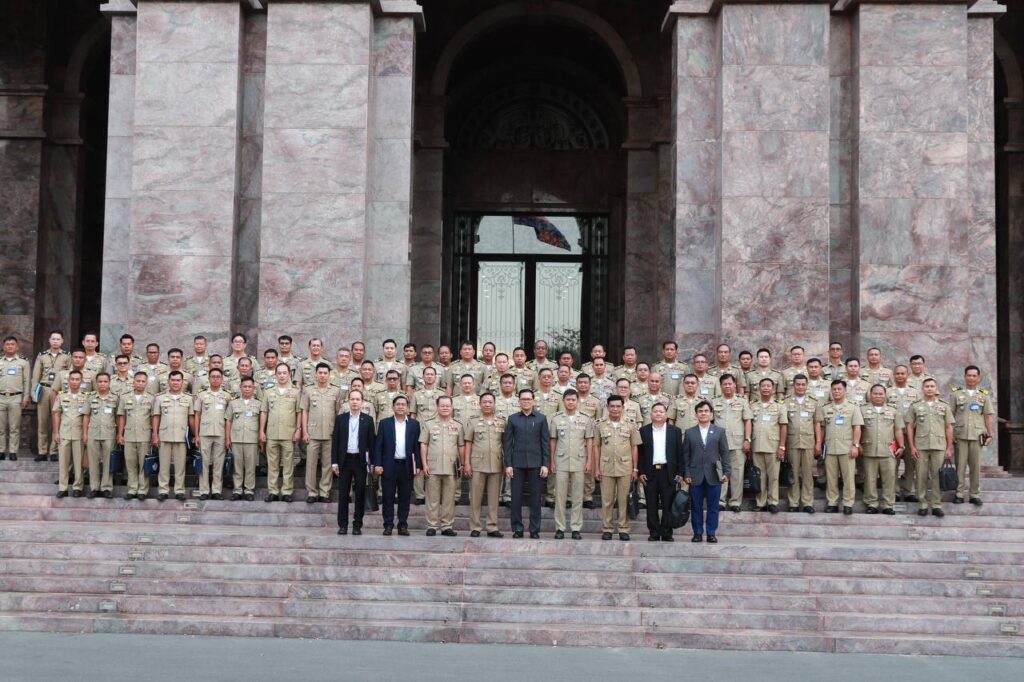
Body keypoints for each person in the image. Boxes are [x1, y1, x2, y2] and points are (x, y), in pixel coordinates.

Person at [503, 389, 550, 539]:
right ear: (519, 402)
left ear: (533, 401)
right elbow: (507, 444)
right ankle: (517, 529)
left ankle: (534, 530)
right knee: (516, 498)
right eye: (523, 399)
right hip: (517, 464)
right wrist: (508, 464)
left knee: (535, 499)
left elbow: (545, 443)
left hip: (536, 464)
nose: (526, 402)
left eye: (529, 399)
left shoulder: (541, 419)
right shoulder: (512, 419)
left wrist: (545, 464)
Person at [548, 389, 594, 540]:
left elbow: (589, 441)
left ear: (577, 401)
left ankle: (576, 528)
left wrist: (589, 461)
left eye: (573, 400)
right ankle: (560, 528)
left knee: (577, 496)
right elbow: (553, 440)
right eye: (568, 399)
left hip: (579, 461)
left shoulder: (586, 419)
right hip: (560, 461)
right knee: (560, 496)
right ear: (563, 401)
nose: (570, 402)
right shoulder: (556, 419)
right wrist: (552, 461)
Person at [682, 400, 731, 543]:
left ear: (711, 414)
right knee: (696, 507)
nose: (703, 413)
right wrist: (687, 473)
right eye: (700, 411)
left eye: (706, 411)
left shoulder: (719, 431)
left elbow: (725, 453)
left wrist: (726, 472)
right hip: (695, 476)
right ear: (696, 414)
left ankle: (711, 533)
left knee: (713, 507)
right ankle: (697, 533)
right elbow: (686, 455)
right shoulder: (690, 432)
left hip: (714, 475)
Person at [905, 378, 954, 517]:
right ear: (922, 389)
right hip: (921, 446)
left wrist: (949, 447)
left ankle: (936, 504)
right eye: (927, 386)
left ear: (936, 389)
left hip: (939, 445)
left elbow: (949, 427)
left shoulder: (944, 406)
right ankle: (922, 504)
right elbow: (909, 427)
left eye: (932, 386)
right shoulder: (915, 406)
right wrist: (912, 446)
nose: (929, 389)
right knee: (921, 475)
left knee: (937, 476)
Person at [595, 395, 640, 541]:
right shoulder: (600, 425)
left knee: (623, 500)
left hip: (625, 468)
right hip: (606, 467)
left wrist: (635, 469)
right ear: (607, 407)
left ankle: (623, 528)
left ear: (623, 407)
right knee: (607, 500)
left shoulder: (630, 425)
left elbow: (634, 447)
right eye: (612, 406)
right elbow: (596, 447)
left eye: (618, 406)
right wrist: (597, 468)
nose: (615, 409)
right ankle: (607, 528)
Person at [815, 379, 864, 515]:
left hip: (847, 448)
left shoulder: (853, 407)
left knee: (848, 478)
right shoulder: (825, 408)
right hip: (830, 448)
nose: (836, 391)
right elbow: (821, 427)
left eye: (839, 389)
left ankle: (848, 503)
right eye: (834, 389)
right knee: (831, 478)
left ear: (845, 391)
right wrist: (819, 443)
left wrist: (855, 445)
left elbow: (857, 427)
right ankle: (832, 502)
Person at [373, 395, 419, 536]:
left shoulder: (414, 424)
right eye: (397, 404)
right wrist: (377, 464)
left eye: (403, 404)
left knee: (405, 498)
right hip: (389, 465)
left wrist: (418, 465)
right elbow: (378, 446)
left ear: (408, 407)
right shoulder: (384, 423)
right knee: (388, 497)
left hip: (406, 466)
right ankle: (388, 525)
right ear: (393, 407)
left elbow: (416, 447)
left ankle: (402, 525)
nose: (400, 407)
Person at [331, 390, 375, 535]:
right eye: (352, 399)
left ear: (362, 402)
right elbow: (335, 442)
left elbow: (371, 443)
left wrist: (372, 463)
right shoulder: (341, 419)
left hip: (360, 462)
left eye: (357, 399)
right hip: (345, 461)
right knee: (343, 495)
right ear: (348, 401)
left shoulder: (368, 420)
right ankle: (343, 525)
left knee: (360, 494)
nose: (355, 402)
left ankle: (357, 525)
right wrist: (334, 462)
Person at [419, 395, 463, 536]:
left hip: (451, 467)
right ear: (437, 407)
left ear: (452, 407)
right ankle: (432, 525)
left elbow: (461, 446)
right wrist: (424, 464)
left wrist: (462, 463)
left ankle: (446, 526)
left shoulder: (458, 425)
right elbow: (424, 445)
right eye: (442, 405)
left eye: (448, 406)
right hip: (433, 466)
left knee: (449, 499)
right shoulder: (428, 424)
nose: (445, 408)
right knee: (432, 498)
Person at [464, 392, 507, 538]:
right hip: (477, 464)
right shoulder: (473, 421)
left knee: (494, 499)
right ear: (480, 404)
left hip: (496, 463)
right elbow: (468, 443)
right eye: (485, 402)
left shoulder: (502, 421)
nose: (487, 404)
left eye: (490, 402)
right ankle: (475, 527)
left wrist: (506, 463)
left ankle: (492, 526)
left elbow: (505, 443)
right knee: (475, 498)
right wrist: (467, 463)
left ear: (494, 404)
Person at [950, 365, 994, 506]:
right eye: (969, 375)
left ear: (978, 378)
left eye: (974, 376)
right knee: (960, 467)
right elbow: (950, 416)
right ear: (965, 377)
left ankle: (974, 494)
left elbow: (988, 416)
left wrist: (990, 434)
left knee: (975, 467)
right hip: (960, 435)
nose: (971, 378)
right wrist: (950, 435)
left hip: (977, 435)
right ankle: (959, 493)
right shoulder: (956, 394)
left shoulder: (983, 395)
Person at [638, 403, 682, 542]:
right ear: (651, 414)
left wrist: (680, 472)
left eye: (661, 411)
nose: (658, 414)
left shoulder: (675, 431)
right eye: (655, 411)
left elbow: (679, 453)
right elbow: (640, 454)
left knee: (668, 504)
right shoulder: (643, 431)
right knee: (651, 505)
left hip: (668, 472)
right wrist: (640, 471)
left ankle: (667, 532)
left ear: (666, 415)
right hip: (649, 473)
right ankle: (654, 532)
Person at [860, 384, 905, 515]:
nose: (878, 396)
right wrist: (857, 444)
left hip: (888, 450)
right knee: (870, 478)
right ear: (870, 395)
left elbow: (898, 429)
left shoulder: (893, 410)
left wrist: (902, 446)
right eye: (875, 393)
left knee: (889, 478)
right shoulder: (862, 410)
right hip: (869, 449)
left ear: (885, 395)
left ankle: (888, 504)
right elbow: (858, 429)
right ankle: (871, 503)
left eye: (881, 394)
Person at [301, 362, 342, 503]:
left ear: (329, 375)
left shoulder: (336, 391)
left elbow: (338, 413)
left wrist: (338, 434)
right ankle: (311, 492)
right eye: (320, 373)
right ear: (316, 374)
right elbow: (304, 411)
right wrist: (305, 432)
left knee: (327, 465)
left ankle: (325, 492)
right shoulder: (308, 390)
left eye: (325, 373)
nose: (323, 375)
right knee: (311, 464)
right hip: (312, 433)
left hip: (330, 433)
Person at [260, 364, 301, 502]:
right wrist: (261, 431)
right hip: (272, 433)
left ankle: (287, 492)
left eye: (284, 373)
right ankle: (272, 491)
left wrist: (298, 430)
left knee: (288, 465)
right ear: (275, 375)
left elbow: (299, 412)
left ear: (289, 374)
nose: (282, 375)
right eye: (279, 373)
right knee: (272, 465)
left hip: (288, 433)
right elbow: (264, 412)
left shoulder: (296, 392)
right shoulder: (268, 392)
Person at [151, 370, 193, 501]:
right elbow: (156, 417)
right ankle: (163, 490)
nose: (175, 383)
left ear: (182, 382)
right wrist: (155, 434)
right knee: (164, 466)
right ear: (168, 381)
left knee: (180, 466)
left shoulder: (189, 399)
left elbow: (191, 418)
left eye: (178, 380)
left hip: (181, 436)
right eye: (173, 380)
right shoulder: (160, 398)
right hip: (164, 435)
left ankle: (179, 490)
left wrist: (195, 435)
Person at [711, 374, 751, 513]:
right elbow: (709, 421)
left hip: (738, 443)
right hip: (718, 443)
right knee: (720, 472)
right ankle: (720, 501)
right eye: (725, 384)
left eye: (730, 383)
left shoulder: (742, 401)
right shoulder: (714, 401)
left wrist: (747, 439)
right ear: (721, 386)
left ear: (735, 385)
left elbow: (747, 420)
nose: (727, 386)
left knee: (737, 473)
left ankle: (735, 502)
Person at [749, 378, 787, 513]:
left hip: (773, 446)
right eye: (763, 386)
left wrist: (782, 446)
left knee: (774, 476)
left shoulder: (779, 406)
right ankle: (761, 502)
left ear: (773, 389)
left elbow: (783, 426)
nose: (765, 388)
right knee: (759, 476)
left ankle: (773, 502)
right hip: (757, 445)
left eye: (768, 386)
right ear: (759, 389)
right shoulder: (752, 406)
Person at [192, 367, 231, 500]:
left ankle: (216, 491)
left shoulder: (227, 396)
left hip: (221, 433)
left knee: (218, 463)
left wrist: (228, 437)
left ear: (222, 379)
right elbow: (197, 415)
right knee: (204, 463)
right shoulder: (202, 395)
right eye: (213, 377)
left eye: (218, 377)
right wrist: (196, 435)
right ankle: (204, 491)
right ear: (208, 379)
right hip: (204, 433)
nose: (215, 379)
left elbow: (229, 418)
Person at [32, 330, 70, 461]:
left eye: (58, 339)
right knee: (42, 422)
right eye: (53, 339)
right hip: (44, 390)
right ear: (49, 340)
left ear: (62, 341)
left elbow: (70, 375)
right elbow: (36, 376)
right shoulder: (42, 356)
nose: (55, 341)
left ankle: (54, 451)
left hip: (59, 392)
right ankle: (42, 451)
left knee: (57, 421)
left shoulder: (67, 356)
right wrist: (33, 392)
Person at [116, 371, 155, 500]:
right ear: (133, 381)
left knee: (144, 464)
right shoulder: (125, 397)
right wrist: (120, 434)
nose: (140, 383)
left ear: (146, 383)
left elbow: (153, 417)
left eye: (143, 381)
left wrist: (153, 434)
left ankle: (142, 490)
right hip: (129, 434)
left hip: (145, 435)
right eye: (138, 381)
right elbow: (122, 416)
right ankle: (132, 489)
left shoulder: (151, 398)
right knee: (130, 463)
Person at [783, 374, 819, 513]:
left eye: (803, 384)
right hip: (792, 442)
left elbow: (817, 423)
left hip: (808, 442)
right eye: (798, 384)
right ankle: (793, 502)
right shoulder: (786, 402)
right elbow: (783, 424)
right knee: (793, 473)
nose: (800, 387)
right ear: (793, 385)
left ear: (807, 385)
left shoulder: (814, 402)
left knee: (808, 474)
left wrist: (818, 442)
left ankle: (807, 502)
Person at [224, 377, 262, 501]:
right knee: (237, 467)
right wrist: (227, 438)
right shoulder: (233, 403)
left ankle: (249, 490)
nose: (247, 389)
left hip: (252, 439)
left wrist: (261, 438)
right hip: (236, 439)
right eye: (245, 386)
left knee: (251, 467)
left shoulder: (259, 404)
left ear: (254, 389)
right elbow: (228, 421)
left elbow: (262, 422)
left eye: (249, 387)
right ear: (240, 388)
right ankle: (237, 490)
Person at [53, 369, 89, 497]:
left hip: (79, 433)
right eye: (72, 379)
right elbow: (57, 414)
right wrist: (56, 432)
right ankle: (63, 488)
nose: (74, 382)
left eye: (77, 379)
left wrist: (85, 434)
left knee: (79, 463)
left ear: (81, 381)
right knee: (63, 462)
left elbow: (87, 416)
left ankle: (77, 487)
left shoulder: (86, 397)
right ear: (68, 381)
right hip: (64, 432)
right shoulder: (61, 396)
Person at [84, 372, 118, 498]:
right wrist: (85, 434)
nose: (102, 384)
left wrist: (119, 434)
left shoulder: (115, 398)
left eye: (105, 381)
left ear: (109, 383)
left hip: (109, 434)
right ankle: (94, 487)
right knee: (93, 462)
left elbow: (118, 417)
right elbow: (86, 416)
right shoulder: (90, 397)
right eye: (100, 381)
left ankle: (106, 487)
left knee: (108, 462)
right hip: (93, 433)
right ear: (96, 383)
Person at [0, 336, 30, 460]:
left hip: (16, 398)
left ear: (17, 347)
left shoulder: (23, 362)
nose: (10, 346)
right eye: (7, 344)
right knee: (0, 428)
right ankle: (1, 450)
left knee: (14, 427)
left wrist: (25, 398)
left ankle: (13, 451)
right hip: (1, 398)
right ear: (3, 347)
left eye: (12, 344)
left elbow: (26, 381)